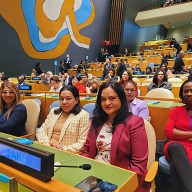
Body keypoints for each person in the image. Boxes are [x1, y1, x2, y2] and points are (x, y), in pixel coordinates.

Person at [81, 81, 149, 192]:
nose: (107, 103)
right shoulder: (96, 121)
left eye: (112, 98)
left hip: (119, 178)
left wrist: (117, 184)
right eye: (103, 99)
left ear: (121, 99)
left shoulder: (135, 123)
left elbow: (138, 165)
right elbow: (87, 150)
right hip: (94, 174)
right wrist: (83, 169)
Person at [36, 86, 90, 153]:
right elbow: (41, 131)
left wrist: (61, 149)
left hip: (66, 152)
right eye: (61, 99)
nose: (64, 102)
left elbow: (82, 143)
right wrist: (49, 143)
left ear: (76, 100)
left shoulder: (83, 115)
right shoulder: (53, 111)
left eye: (68, 99)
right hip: (46, 148)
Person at [163, 79, 192, 192]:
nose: (189, 94)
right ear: (182, 94)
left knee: (177, 166)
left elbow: (174, 132)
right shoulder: (176, 110)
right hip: (178, 145)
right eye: (186, 91)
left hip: (183, 144)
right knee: (175, 147)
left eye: (191, 91)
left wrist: (179, 134)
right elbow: (169, 131)